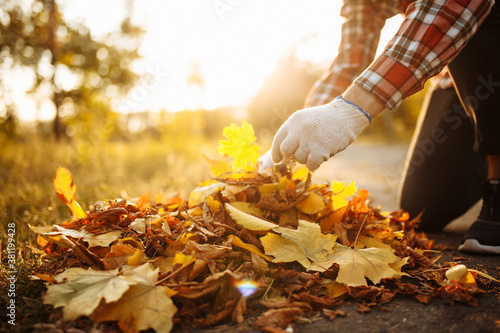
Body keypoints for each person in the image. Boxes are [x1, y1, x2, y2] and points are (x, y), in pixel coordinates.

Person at [268, 0, 500, 254]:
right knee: (423, 207)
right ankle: (486, 131)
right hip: (462, 78)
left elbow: (452, 8)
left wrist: (350, 110)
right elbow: (350, 62)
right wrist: (300, 133)